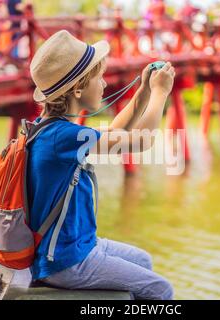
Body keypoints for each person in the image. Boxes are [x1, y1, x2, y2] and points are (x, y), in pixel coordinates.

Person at [27, 30, 175, 300]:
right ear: (78, 88)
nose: (105, 84)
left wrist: (142, 93)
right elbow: (140, 141)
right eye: (99, 77)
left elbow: (114, 137)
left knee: (143, 261)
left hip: (76, 246)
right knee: (161, 289)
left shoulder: (51, 131)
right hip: (66, 261)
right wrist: (161, 93)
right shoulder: (63, 137)